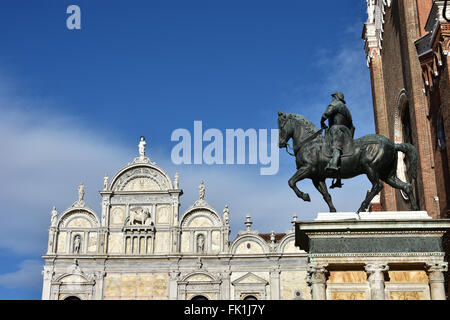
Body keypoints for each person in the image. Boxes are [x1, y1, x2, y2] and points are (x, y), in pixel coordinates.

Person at [320, 91, 355, 188]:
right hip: (346, 132)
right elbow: (352, 126)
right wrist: (350, 138)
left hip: (336, 129)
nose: (332, 99)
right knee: (338, 149)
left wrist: (322, 122)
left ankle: (333, 164)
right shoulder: (347, 110)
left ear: (336, 97)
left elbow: (327, 113)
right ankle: (338, 179)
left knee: (335, 147)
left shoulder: (336, 104)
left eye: (333, 97)